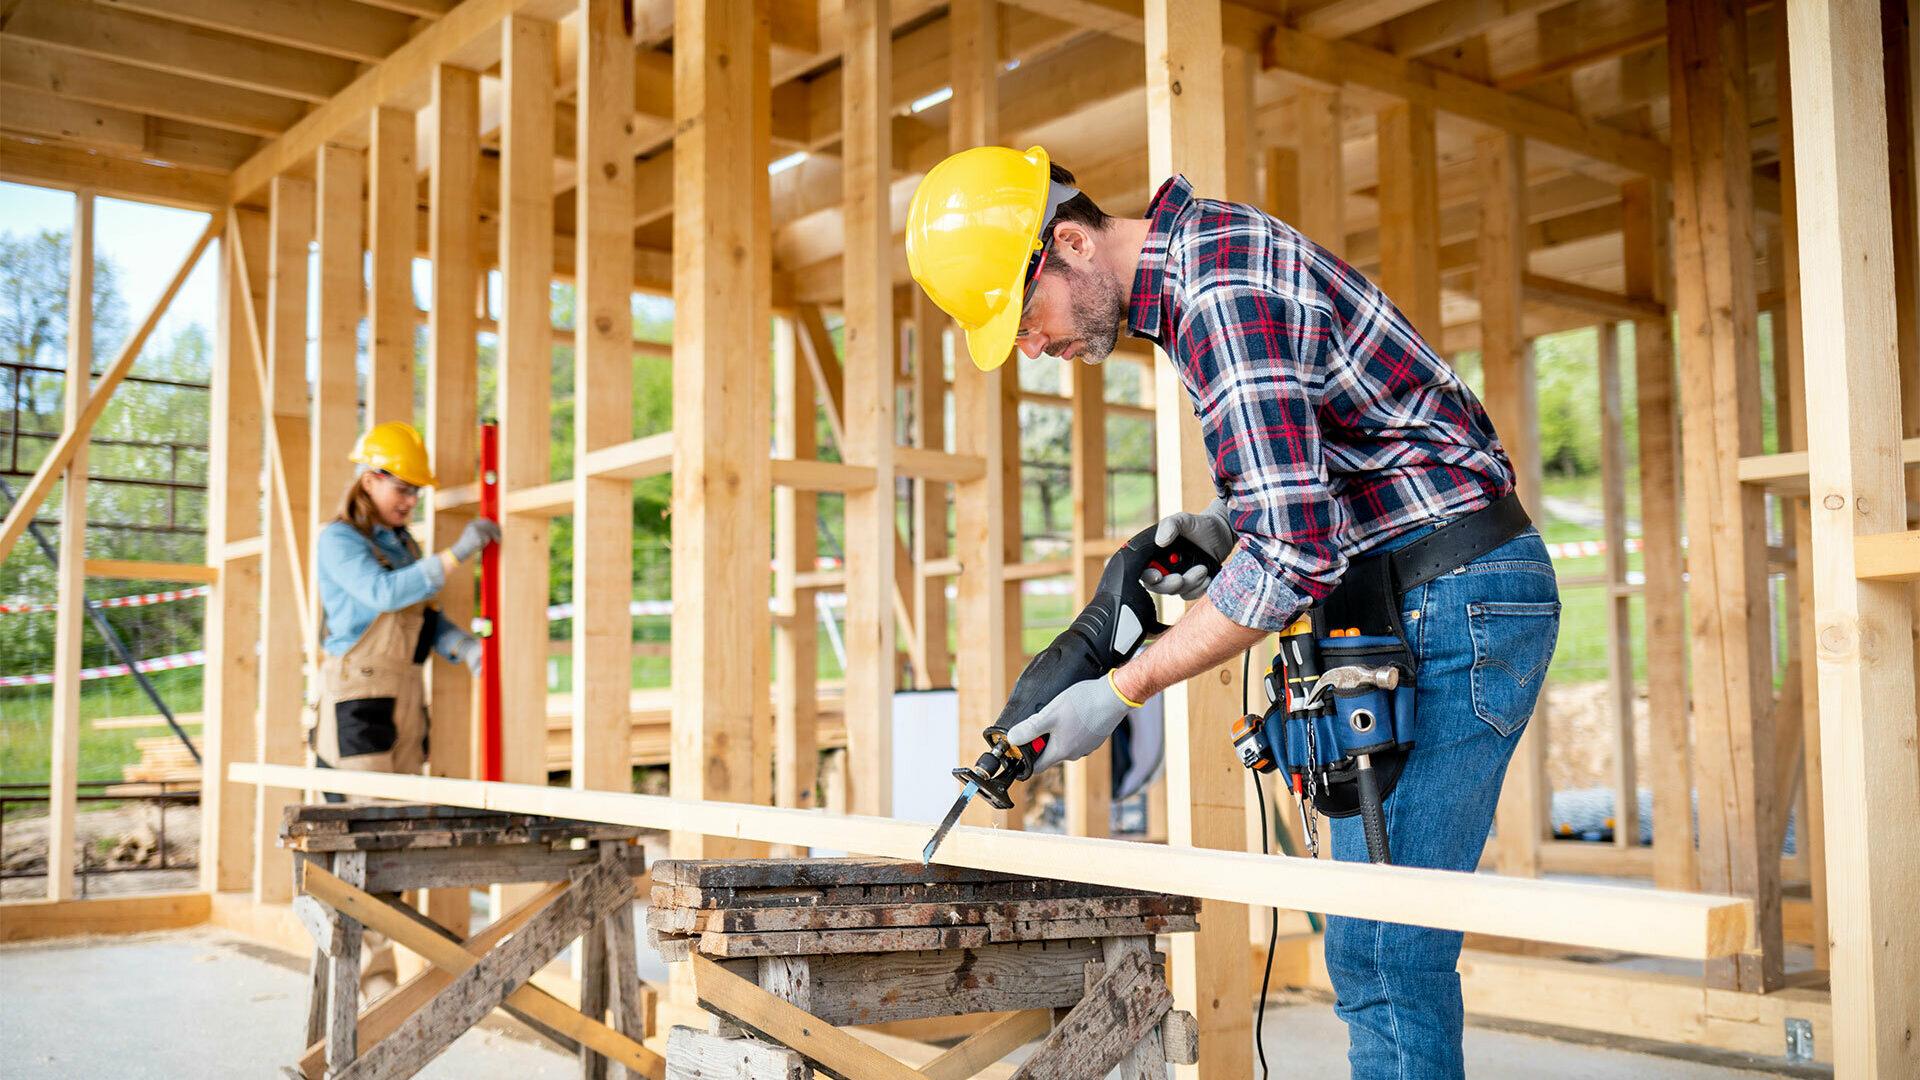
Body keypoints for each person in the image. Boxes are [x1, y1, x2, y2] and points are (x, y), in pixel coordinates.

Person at [905, 144, 1560, 1079]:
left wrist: (1122, 690)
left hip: (1458, 600)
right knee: (1366, 950)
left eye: (1023, 315)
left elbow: (1295, 555)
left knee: (1390, 953)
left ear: (1074, 243)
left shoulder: (1217, 298)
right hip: (1402, 592)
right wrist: (1224, 525)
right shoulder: (1201, 280)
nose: (1032, 346)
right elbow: (1329, 463)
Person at [313, 421, 499, 776]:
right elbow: (383, 594)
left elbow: (418, 613)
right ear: (369, 482)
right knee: (364, 809)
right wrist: (456, 554)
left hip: (406, 693)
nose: (411, 501)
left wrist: (463, 646)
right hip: (359, 694)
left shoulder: (403, 544)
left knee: (403, 807)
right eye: (403, 489)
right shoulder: (340, 540)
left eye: (416, 492)